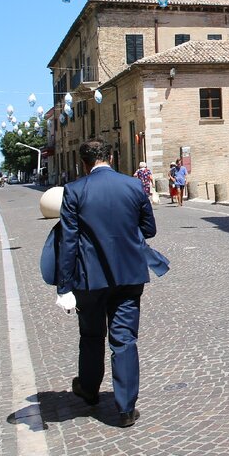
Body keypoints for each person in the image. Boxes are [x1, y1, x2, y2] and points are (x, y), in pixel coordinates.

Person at [56, 140, 156, 428]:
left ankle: (88, 389)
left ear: (83, 162)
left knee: (90, 335)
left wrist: (64, 287)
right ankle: (125, 409)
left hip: (90, 278)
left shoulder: (74, 191)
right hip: (129, 275)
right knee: (124, 339)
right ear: (110, 157)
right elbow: (149, 228)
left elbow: (69, 242)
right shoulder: (133, 186)